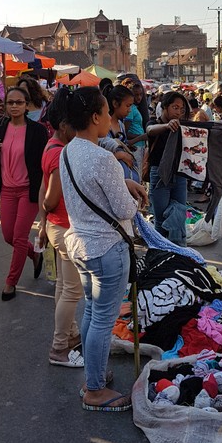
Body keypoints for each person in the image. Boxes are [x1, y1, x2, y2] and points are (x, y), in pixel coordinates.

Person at [60, 87, 147, 411]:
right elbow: (125, 210)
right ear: (95, 117)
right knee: (101, 320)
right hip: (106, 249)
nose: (111, 117)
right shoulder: (103, 159)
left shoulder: (68, 151)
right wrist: (131, 192)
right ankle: (94, 390)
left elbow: (89, 189)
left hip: (81, 245)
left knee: (93, 314)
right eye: (106, 112)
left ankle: (93, 376)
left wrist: (122, 183)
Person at [0, 86, 49, 300]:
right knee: (8, 236)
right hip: (7, 189)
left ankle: (11, 283)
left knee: (19, 237)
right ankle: (35, 256)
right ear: (5, 106)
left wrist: (47, 192)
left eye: (19, 102)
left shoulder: (37, 131)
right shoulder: (0, 126)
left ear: (27, 105)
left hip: (29, 190)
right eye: (11, 102)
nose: (15, 106)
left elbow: (45, 163)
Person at [38, 88, 84, 368]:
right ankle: (58, 348)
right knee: (72, 292)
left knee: (65, 288)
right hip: (65, 227)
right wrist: (46, 214)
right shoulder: (59, 154)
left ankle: (69, 335)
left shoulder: (51, 146)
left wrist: (43, 223)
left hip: (57, 227)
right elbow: (50, 196)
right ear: (65, 126)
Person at [146, 91, 190, 245]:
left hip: (179, 176)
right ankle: (161, 255)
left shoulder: (183, 126)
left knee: (179, 218)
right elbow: (149, 131)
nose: (178, 112)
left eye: (181, 108)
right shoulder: (154, 123)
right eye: (175, 107)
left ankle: (181, 255)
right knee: (161, 221)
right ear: (164, 107)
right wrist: (166, 126)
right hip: (159, 176)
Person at [104, 84, 140, 182]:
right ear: (115, 104)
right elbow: (101, 157)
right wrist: (121, 155)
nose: (129, 110)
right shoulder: (103, 127)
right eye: (127, 106)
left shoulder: (121, 124)